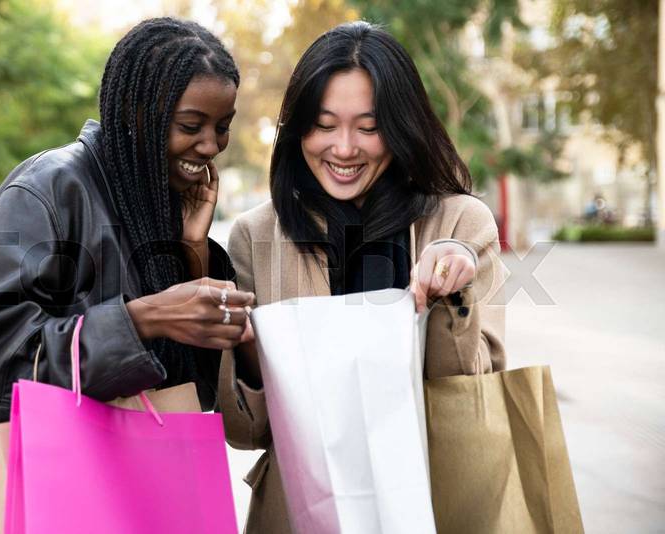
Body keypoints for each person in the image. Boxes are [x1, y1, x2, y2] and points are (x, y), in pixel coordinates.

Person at [0, 18, 254, 533]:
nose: (211, 145)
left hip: (134, 500)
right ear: (136, 115)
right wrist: (140, 320)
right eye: (191, 126)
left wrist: (190, 251)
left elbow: (191, 398)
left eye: (222, 125)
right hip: (37, 499)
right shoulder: (47, 190)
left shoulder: (164, 203)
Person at [217, 22, 506, 532]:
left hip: (428, 503)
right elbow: (247, 432)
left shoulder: (461, 223)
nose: (345, 149)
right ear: (297, 128)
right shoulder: (254, 235)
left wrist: (449, 287)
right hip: (302, 510)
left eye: (369, 127)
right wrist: (244, 351)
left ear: (401, 127)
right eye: (325, 124)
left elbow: (473, 397)